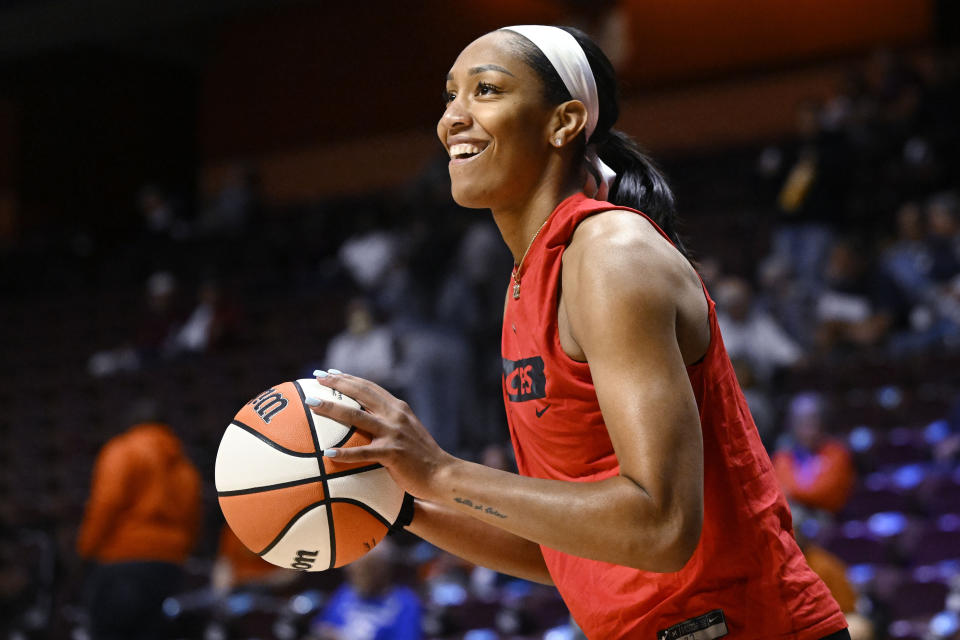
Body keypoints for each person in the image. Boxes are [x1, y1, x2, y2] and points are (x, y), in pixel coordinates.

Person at [304, 25, 848, 638]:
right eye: (449, 95)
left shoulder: (610, 252)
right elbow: (569, 548)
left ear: (564, 122)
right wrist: (402, 505)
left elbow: (661, 527)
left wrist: (443, 474)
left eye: (484, 90)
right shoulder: (529, 279)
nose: (452, 118)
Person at [76, 399, 202, 639]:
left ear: (132, 424)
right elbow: (192, 521)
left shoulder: (123, 450)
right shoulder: (185, 466)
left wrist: (85, 550)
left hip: (122, 563)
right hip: (169, 567)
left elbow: (105, 505)